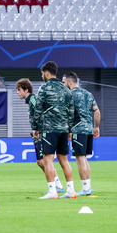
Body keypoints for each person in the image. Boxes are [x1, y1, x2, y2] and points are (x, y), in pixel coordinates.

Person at [31, 61, 76, 199]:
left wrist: (36, 127)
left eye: (42, 74)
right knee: (64, 160)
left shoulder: (44, 89)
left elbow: (38, 109)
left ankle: (52, 191)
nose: (42, 76)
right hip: (63, 129)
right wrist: (69, 129)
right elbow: (71, 110)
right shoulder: (66, 89)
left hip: (49, 129)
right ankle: (71, 190)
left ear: (47, 73)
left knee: (48, 160)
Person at [17, 77, 63, 194]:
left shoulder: (33, 99)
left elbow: (41, 112)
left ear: (26, 90)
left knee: (43, 161)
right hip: (39, 133)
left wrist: (38, 129)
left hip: (42, 133)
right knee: (40, 162)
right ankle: (57, 184)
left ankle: (57, 185)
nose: (17, 92)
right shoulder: (30, 101)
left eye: (19, 90)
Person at [62, 72, 100, 196]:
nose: (63, 85)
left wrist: (68, 130)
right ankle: (88, 187)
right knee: (84, 158)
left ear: (70, 82)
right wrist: (96, 127)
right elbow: (97, 111)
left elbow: (69, 114)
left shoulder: (70, 95)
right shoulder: (88, 94)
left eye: (64, 82)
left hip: (78, 130)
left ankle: (85, 188)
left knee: (80, 159)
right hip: (89, 129)